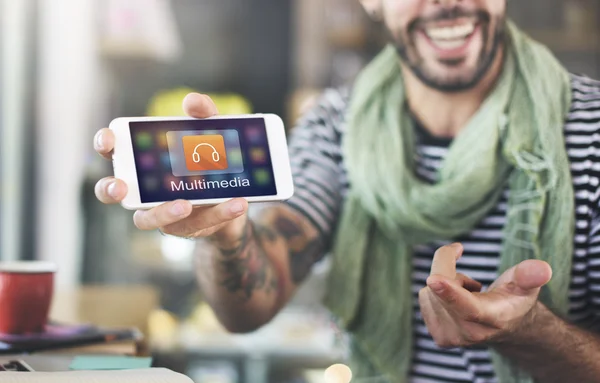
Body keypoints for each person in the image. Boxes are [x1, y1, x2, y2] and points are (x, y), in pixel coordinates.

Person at [94, 0, 600, 382]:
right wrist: (227, 236)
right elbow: (248, 306)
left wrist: (533, 333)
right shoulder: (335, 124)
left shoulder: (592, 126)